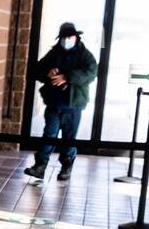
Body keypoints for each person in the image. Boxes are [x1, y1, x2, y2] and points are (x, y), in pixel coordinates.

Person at [26, 21, 98, 183]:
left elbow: (91, 72)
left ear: (76, 37)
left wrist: (67, 77)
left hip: (73, 106)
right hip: (54, 103)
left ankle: (66, 167)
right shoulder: (54, 53)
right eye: (64, 37)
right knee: (49, 135)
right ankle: (40, 166)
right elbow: (37, 70)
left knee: (69, 137)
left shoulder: (84, 55)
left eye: (70, 37)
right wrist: (48, 72)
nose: (67, 40)